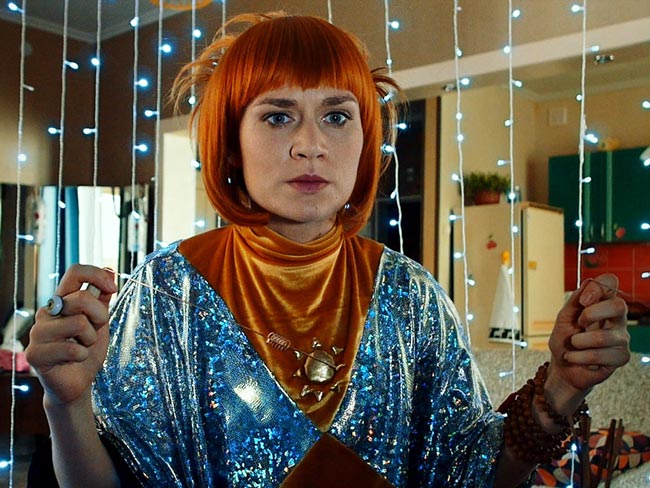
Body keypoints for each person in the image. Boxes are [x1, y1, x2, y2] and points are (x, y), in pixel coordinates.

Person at [25, 11, 630, 488]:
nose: (311, 145)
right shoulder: (167, 292)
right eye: (278, 117)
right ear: (231, 142)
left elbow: (472, 476)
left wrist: (563, 384)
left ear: (366, 141)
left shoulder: (412, 297)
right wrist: (65, 401)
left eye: (337, 117)